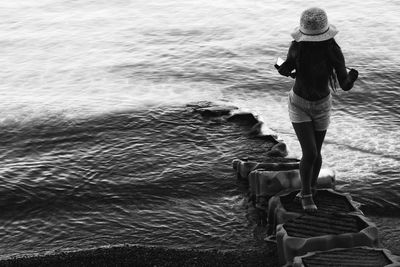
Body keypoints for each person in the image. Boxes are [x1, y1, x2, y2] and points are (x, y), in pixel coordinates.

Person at [277, 7, 358, 212]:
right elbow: (288, 67)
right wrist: (284, 69)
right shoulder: (297, 47)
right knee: (310, 152)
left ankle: (310, 189)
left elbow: (343, 84)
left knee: (315, 152)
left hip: (322, 106)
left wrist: (351, 77)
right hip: (299, 103)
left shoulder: (332, 50)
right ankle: (305, 195)